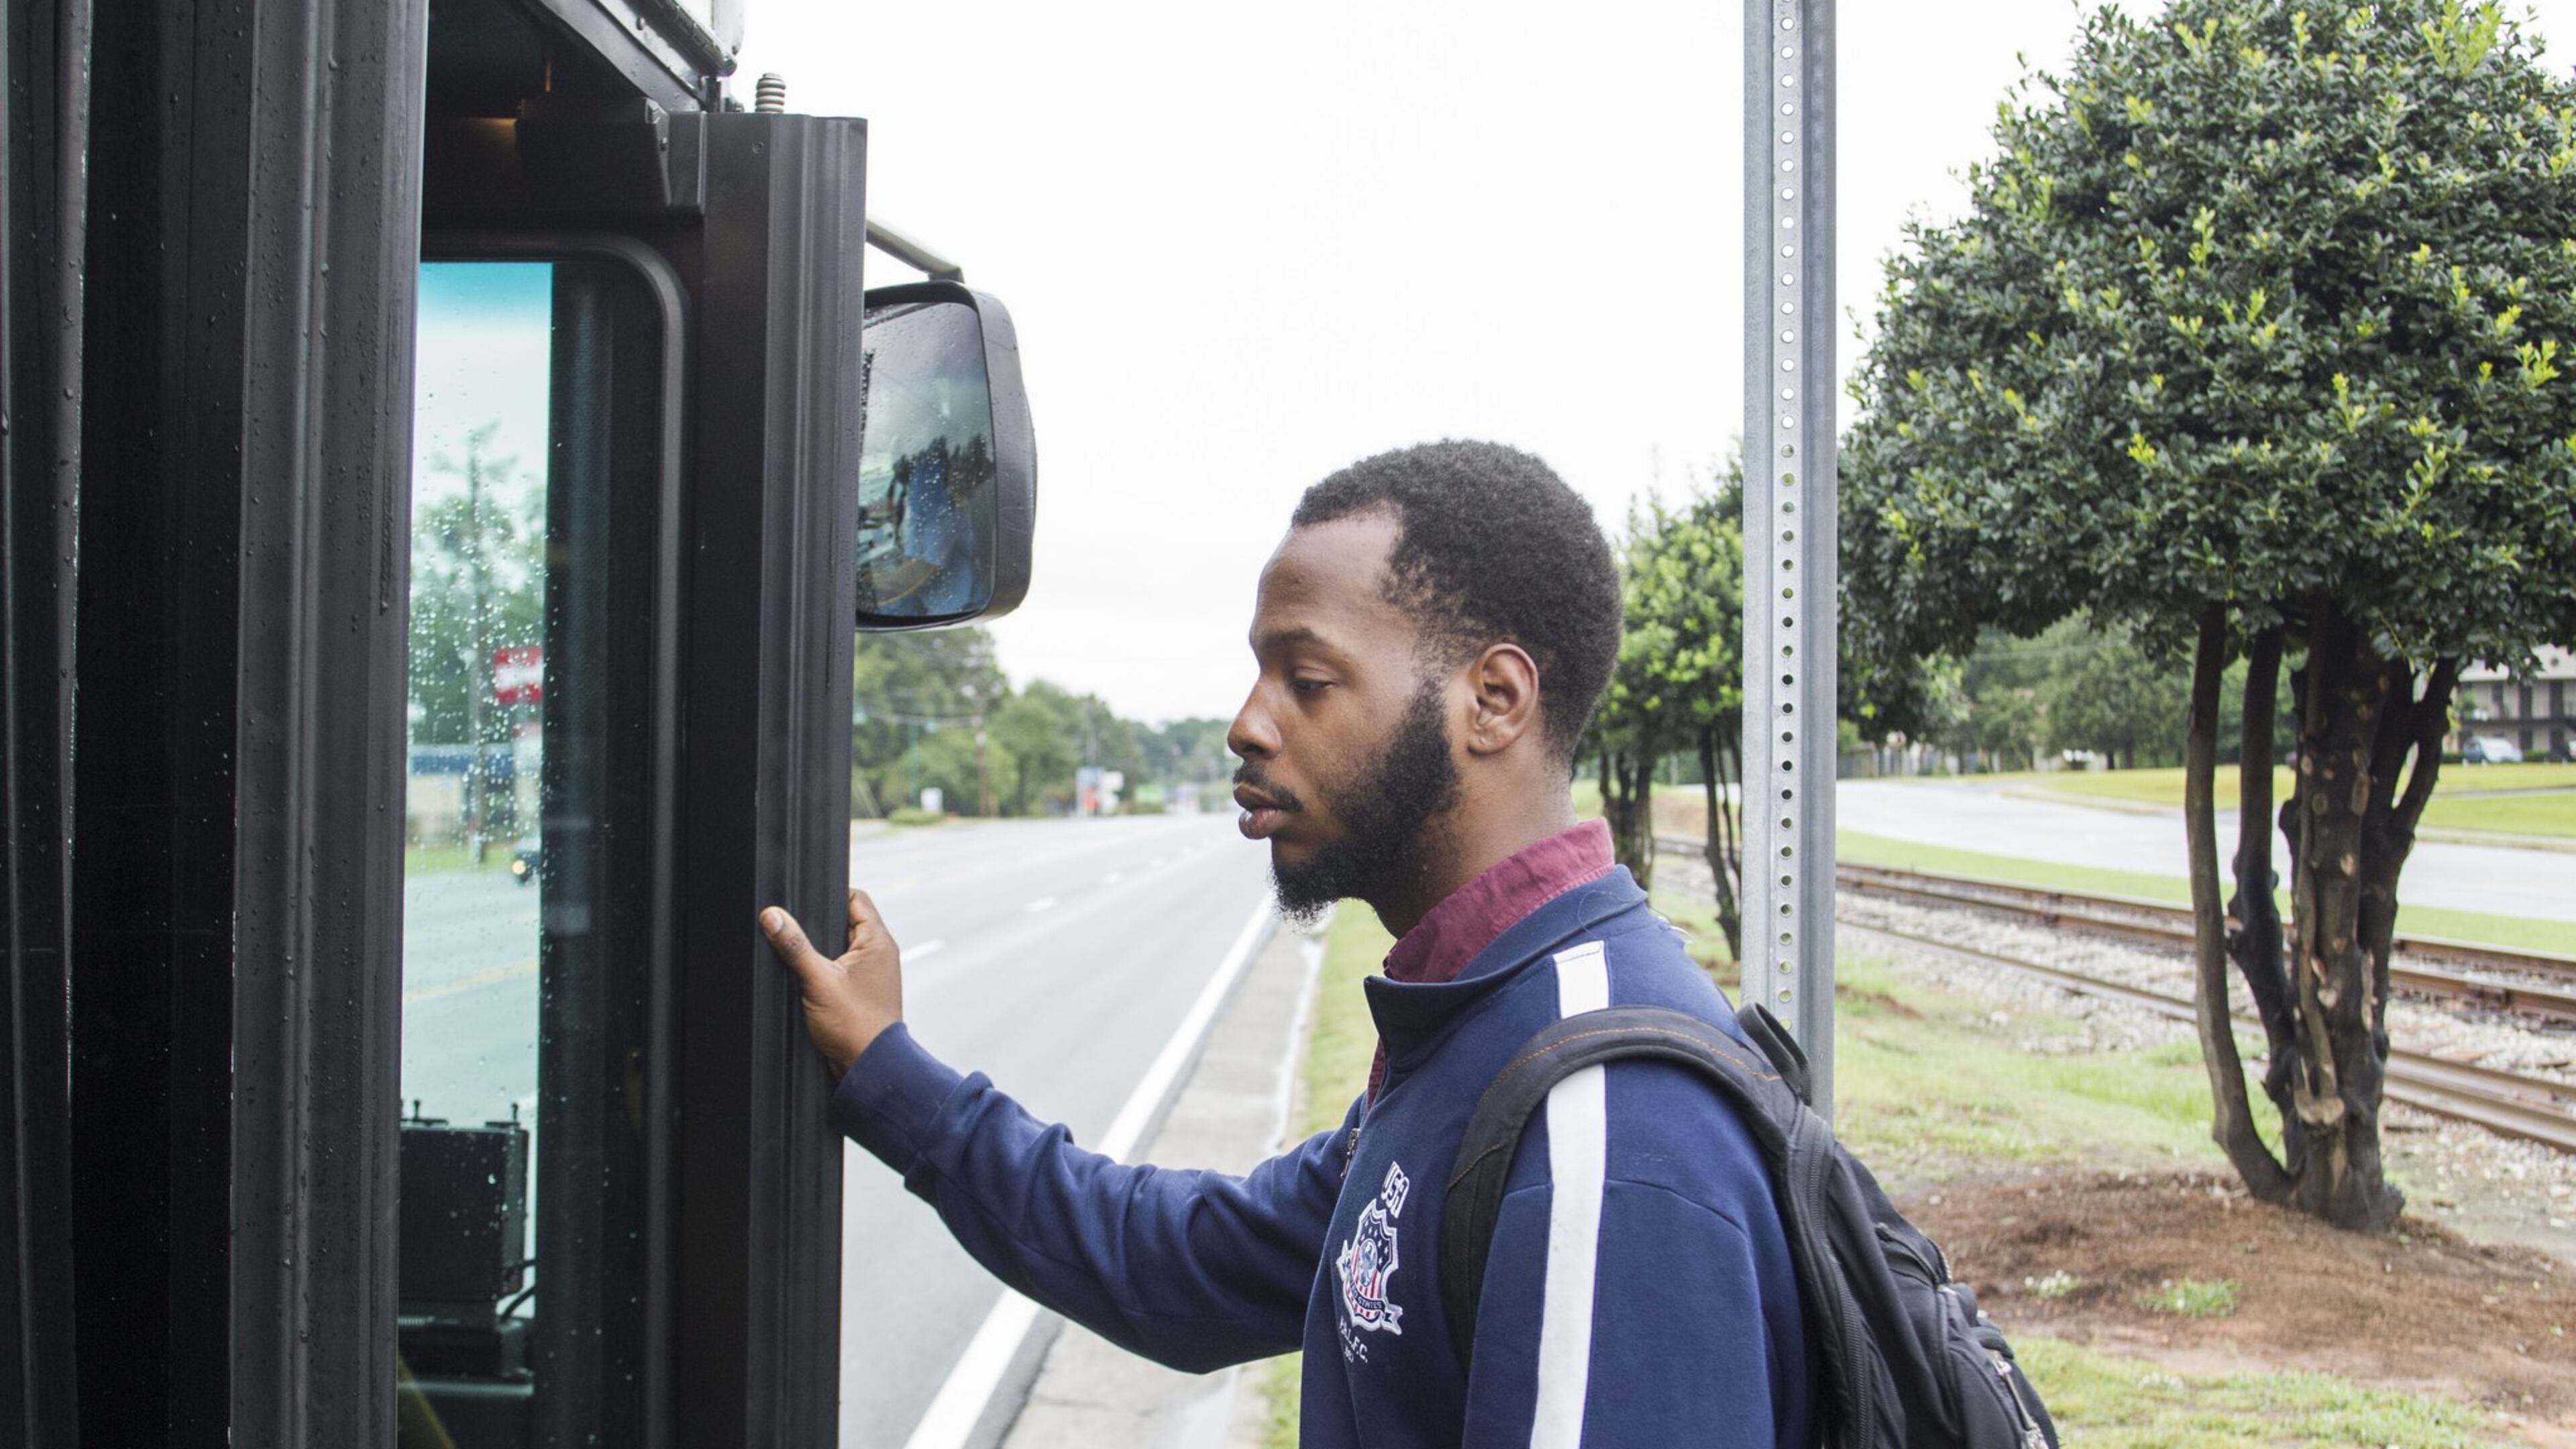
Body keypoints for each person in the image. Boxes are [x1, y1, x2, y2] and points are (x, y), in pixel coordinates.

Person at [761, 441, 1812, 1448]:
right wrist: (889, 1071)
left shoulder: (1606, 1127)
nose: (1246, 725)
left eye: (1306, 680)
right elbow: (1180, 1269)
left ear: (1492, 701)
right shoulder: (1482, 1020)